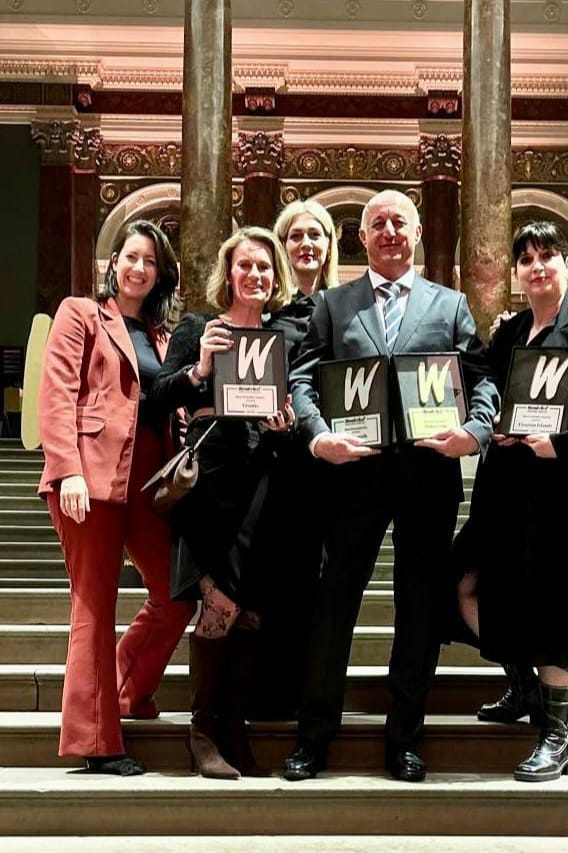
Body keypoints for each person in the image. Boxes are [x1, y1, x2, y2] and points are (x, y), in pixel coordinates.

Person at [282, 189, 499, 783]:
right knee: (335, 605)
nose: (389, 232)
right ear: (362, 238)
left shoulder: (450, 305)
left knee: (420, 609)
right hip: (351, 476)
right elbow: (302, 379)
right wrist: (318, 436)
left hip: (429, 475)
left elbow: (481, 378)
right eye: (377, 223)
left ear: (418, 233)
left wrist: (474, 431)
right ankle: (313, 737)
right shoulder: (333, 305)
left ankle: (404, 738)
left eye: (399, 222)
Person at [454, 222, 568, 781]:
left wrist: (562, 441)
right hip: (506, 490)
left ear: (566, 264)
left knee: (558, 610)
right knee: (467, 581)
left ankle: (556, 736)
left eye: (548, 255)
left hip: (567, 491)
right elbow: (482, 384)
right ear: (516, 272)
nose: (537, 266)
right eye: (527, 259)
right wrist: (485, 421)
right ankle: (524, 687)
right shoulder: (510, 333)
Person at [37, 219, 196, 776]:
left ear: (161, 274)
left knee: (176, 595)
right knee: (94, 606)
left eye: (150, 261)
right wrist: (67, 471)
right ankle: (96, 741)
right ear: (113, 262)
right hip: (91, 478)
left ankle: (124, 689)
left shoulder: (161, 337)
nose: (139, 268)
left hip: (150, 483)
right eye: (131, 256)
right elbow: (57, 393)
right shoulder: (80, 313)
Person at [151, 225, 297, 778]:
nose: (255, 275)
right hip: (210, 481)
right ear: (228, 273)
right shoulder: (198, 328)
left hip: (263, 482)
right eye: (245, 265)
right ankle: (202, 731)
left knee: (252, 610)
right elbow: (155, 397)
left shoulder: (282, 338)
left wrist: (285, 425)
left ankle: (234, 727)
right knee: (221, 605)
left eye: (264, 267)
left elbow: (294, 412)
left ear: (275, 277)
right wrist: (200, 369)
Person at [244, 199, 341, 720]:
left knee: (321, 584)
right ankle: (269, 695)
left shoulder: (346, 309)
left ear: (329, 246)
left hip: (331, 468)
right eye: (296, 235)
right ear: (283, 246)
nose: (306, 244)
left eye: (315, 234)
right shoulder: (266, 316)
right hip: (278, 464)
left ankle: (314, 695)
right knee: (277, 578)